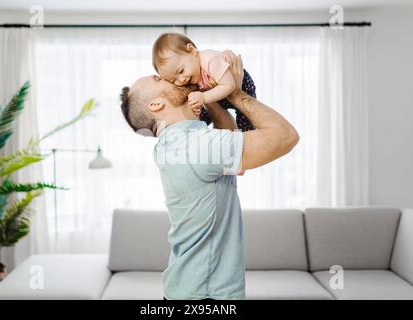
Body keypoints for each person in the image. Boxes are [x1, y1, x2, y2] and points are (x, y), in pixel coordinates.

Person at [120, 51, 299, 300]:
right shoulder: (195, 146)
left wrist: (212, 95)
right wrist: (235, 92)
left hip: (190, 290)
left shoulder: (172, 145)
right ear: (156, 105)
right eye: (158, 78)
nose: (169, 76)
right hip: (206, 296)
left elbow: (228, 136)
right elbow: (286, 136)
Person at [152, 32, 256, 132]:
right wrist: (196, 105)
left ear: (192, 51)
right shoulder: (191, 74)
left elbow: (229, 86)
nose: (181, 80)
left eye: (181, 71)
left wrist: (203, 97)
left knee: (246, 121)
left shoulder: (210, 59)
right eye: (173, 80)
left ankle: (250, 143)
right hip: (217, 95)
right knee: (198, 120)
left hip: (240, 87)